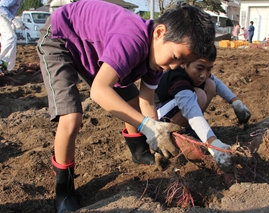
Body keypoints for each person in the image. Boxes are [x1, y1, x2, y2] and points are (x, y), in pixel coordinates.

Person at [36, 0, 216, 212]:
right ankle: (64, 189)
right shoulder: (131, 40)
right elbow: (99, 91)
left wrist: (155, 135)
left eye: (181, 63)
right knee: (72, 117)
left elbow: (146, 100)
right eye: (175, 57)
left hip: (94, 49)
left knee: (133, 104)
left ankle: (139, 151)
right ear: (159, 32)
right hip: (62, 37)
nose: (174, 66)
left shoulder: (159, 58)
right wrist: (148, 126)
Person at [155, 45, 251, 169]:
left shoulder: (199, 73)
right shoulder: (177, 76)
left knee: (210, 85)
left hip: (174, 107)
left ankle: (190, 130)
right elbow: (190, 109)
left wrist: (235, 102)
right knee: (199, 95)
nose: (203, 75)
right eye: (199, 68)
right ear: (184, 63)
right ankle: (173, 136)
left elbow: (216, 82)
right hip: (158, 119)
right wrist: (213, 143)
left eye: (208, 69)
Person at [0, 0, 26, 73]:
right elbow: (1, 7)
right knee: (10, 37)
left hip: (4, 16)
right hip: (1, 15)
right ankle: (1, 66)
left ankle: (8, 69)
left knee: (10, 40)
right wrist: (13, 20)